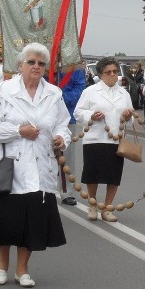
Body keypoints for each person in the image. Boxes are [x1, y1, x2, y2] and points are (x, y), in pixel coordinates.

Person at [0, 43, 70, 287]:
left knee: (33, 219)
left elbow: (62, 123)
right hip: (11, 167)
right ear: (20, 65)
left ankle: (22, 269)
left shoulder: (54, 93)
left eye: (41, 63)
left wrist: (63, 138)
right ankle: (1, 265)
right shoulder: (4, 91)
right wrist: (19, 131)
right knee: (7, 218)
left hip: (41, 166)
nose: (36, 67)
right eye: (31, 62)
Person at [74, 57, 134, 223]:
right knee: (92, 174)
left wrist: (128, 116)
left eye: (115, 71)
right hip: (95, 138)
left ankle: (107, 208)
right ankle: (92, 204)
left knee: (113, 175)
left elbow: (132, 117)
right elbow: (78, 112)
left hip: (116, 139)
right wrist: (91, 115)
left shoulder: (124, 93)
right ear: (100, 74)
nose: (112, 75)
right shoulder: (90, 92)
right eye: (108, 72)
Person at [59, 63, 87, 206]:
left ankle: (66, 191)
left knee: (67, 156)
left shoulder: (74, 67)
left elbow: (80, 88)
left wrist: (62, 97)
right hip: (44, 115)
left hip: (68, 115)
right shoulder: (42, 62)